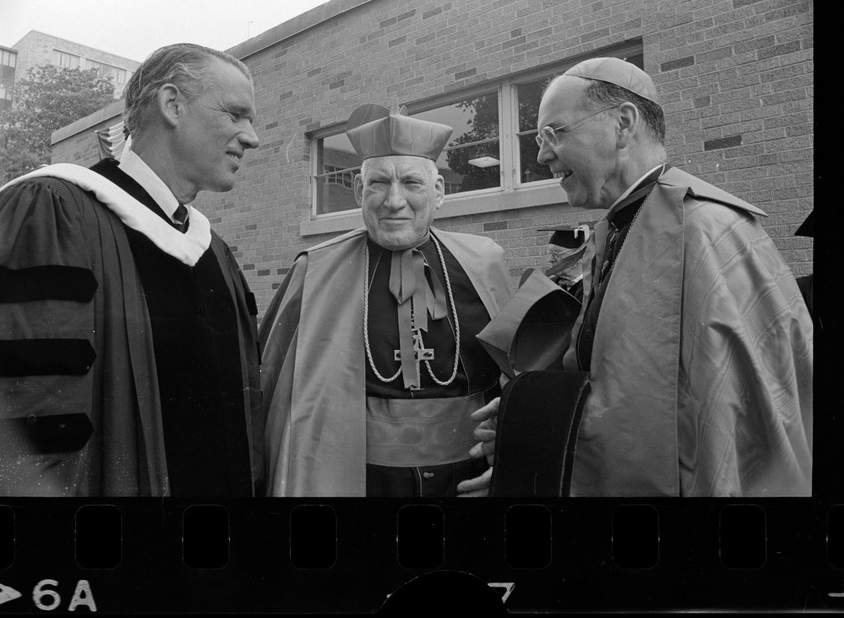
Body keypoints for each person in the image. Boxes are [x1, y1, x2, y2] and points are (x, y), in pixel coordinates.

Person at [460, 56, 813, 497]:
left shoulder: (706, 230)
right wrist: (526, 425)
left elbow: (728, 428)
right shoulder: (617, 226)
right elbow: (604, 379)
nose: (540, 153)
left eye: (555, 133)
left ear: (623, 124)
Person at [0, 43, 264, 497]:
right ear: (172, 105)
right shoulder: (53, 213)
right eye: (236, 114)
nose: (252, 136)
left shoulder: (212, 249)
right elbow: (27, 421)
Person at [260, 100, 522, 497]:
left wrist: (507, 463)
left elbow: (518, 383)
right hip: (354, 481)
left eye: (412, 184)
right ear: (358, 191)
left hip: (470, 478)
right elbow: (271, 394)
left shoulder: (484, 262)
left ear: (438, 191)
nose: (393, 201)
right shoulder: (313, 270)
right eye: (379, 183)